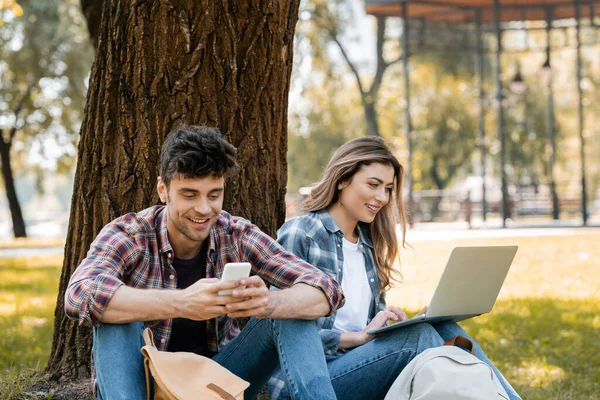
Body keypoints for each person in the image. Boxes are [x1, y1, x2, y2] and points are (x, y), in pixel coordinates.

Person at [64, 125, 345, 400]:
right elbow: (80, 294)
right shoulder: (131, 234)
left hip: (214, 386)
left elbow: (326, 289)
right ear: (163, 189)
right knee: (113, 309)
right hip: (144, 385)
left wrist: (266, 304)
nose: (203, 209)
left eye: (214, 195)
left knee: (292, 313)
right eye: (189, 195)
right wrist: (184, 302)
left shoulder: (236, 234)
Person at [268, 137, 521, 400]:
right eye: (373, 184)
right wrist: (358, 338)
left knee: (442, 329)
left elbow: (371, 331)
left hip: (358, 364)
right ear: (343, 180)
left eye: (388, 188)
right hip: (313, 378)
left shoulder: (367, 244)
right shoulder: (302, 233)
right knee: (418, 337)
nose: (382, 197)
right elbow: (282, 331)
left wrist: (404, 324)